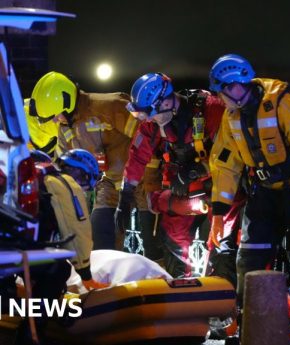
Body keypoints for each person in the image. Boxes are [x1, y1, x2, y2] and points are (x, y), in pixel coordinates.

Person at [208, 54, 290, 345]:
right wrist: (217, 213)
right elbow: (225, 164)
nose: (219, 99)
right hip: (263, 193)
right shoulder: (232, 115)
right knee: (248, 258)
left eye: (221, 92)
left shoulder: (285, 104)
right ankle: (247, 328)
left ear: (235, 86)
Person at [115, 73, 243, 282]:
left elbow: (231, 153)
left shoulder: (212, 110)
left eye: (150, 113)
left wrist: (196, 171)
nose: (147, 119)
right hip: (183, 187)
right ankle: (180, 285)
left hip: (220, 183)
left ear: (166, 101)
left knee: (222, 238)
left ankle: (223, 296)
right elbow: (137, 156)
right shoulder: (152, 124)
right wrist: (126, 194)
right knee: (172, 230)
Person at [28, 71, 160, 254]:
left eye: (56, 115)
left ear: (66, 102)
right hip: (108, 185)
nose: (56, 120)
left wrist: (152, 179)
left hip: (142, 180)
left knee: (153, 242)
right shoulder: (66, 127)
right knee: (101, 241)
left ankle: (160, 278)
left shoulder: (110, 106)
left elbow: (149, 137)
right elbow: (64, 167)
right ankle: (109, 281)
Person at [32, 149, 108, 291]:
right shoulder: (63, 183)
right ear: (80, 172)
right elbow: (77, 229)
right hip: (14, 248)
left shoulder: (33, 176)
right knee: (58, 269)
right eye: (84, 184)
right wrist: (85, 274)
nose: (81, 189)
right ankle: (43, 311)